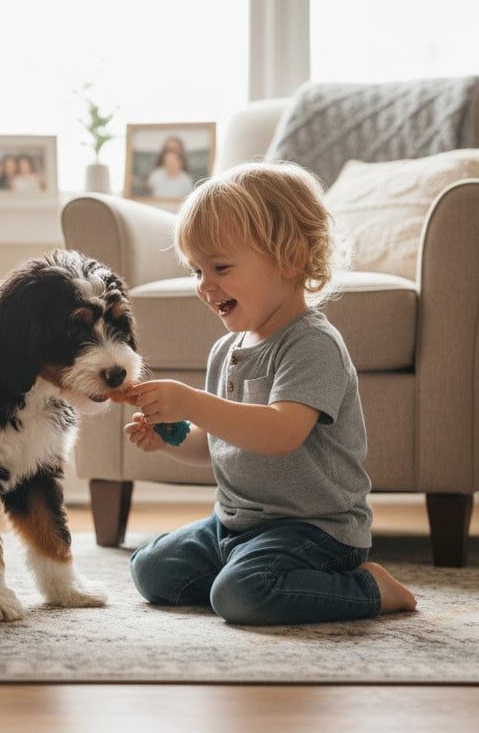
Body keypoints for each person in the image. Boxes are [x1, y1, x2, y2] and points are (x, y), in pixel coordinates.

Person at [124, 162, 417, 626]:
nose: (204, 285)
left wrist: (193, 402)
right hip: (237, 524)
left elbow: (281, 433)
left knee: (244, 596)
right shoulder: (227, 349)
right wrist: (172, 435)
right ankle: (250, 574)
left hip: (317, 530)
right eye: (197, 269)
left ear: (289, 258)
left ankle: (370, 588)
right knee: (151, 569)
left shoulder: (312, 343)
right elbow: (217, 446)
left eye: (220, 266)